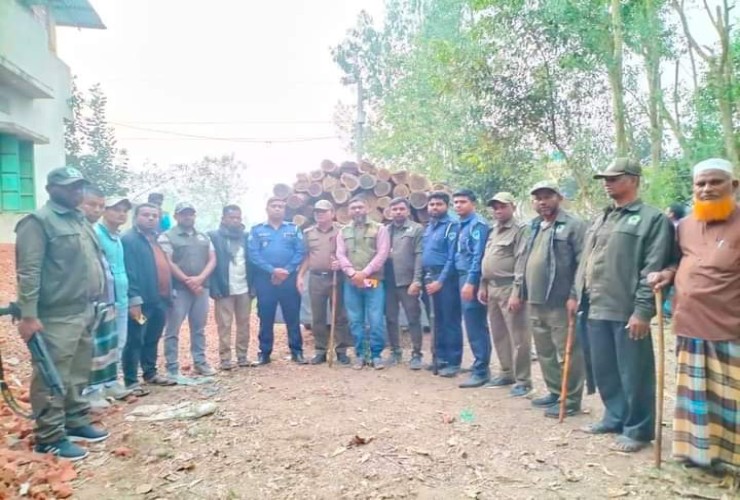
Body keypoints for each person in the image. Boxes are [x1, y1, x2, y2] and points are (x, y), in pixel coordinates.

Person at [576, 158, 673, 453]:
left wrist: (643, 311)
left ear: (633, 179)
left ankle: (639, 429)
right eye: (605, 178)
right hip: (595, 305)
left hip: (626, 308)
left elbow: (653, 267)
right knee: (605, 368)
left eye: (614, 178)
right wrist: (577, 296)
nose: (607, 182)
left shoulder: (652, 219)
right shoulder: (602, 217)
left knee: (635, 371)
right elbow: (586, 261)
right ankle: (615, 416)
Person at [648, 158, 739, 474]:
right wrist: (666, 274)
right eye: (700, 184)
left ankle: (728, 458)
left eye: (715, 182)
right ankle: (697, 453)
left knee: (729, 400)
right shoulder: (684, 227)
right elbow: (677, 262)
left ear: (734, 186)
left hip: (730, 328)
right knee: (694, 395)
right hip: (689, 325)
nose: (706, 188)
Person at [15, 167, 109, 461]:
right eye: (70, 187)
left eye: (79, 187)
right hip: (56, 313)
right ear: (51, 188)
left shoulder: (80, 220)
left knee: (78, 370)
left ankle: (75, 420)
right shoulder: (38, 222)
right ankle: (50, 437)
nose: (76, 192)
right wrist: (28, 315)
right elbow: (28, 271)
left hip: (83, 309)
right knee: (51, 376)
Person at [523, 181, 587, 418]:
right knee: (544, 351)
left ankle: (571, 399)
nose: (542, 202)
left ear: (558, 198)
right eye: (538, 198)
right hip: (536, 300)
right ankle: (554, 391)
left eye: (547, 196)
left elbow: (583, 263)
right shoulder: (535, 226)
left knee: (568, 351)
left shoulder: (574, 225)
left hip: (560, 301)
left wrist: (574, 294)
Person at [79, 187, 131, 409]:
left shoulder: (117, 237)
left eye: (124, 211)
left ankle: (110, 382)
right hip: (100, 298)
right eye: (115, 209)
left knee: (116, 343)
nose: (121, 214)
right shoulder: (95, 233)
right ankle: (91, 390)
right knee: (97, 346)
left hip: (119, 297)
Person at [477, 192, 531, 397]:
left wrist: (517, 292)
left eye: (502, 206)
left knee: (519, 336)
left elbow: (522, 262)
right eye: (495, 207)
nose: (498, 211)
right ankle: (506, 372)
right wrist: (483, 285)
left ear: (513, 207)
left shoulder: (520, 230)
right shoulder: (493, 231)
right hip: (492, 288)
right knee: (499, 333)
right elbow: (487, 258)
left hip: (510, 288)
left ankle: (524, 380)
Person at [122, 203, 175, 392]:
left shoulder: (156, 239)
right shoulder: (129, 240)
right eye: (146, 215)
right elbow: (129, 271)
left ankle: (150, 373)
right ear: (136, 216)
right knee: (135, 338)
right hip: (141, 303)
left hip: (159, 300)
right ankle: (130, 380)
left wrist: (170, 292)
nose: (151, 218)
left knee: (153, 337)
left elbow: (163, 267)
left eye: (154, 215)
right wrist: (133, 299)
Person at [159, 202, 217, 377]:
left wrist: (199, 279)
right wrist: (187, 280)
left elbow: (212, 259)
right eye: (183, 214)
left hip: (201, 289)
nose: (188, 216)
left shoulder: (204, 237)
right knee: (172, 329)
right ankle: (171, 366)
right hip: (179, 290)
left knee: (199, 328)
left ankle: (200, 362)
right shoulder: (167, 236)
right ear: (176, 216)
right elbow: (168, 262)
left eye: (191, 213)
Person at [248, 197, 306, 365]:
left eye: (281, 206)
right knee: (266, 316)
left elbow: (300, 252)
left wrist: (286, 271)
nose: (277, 209)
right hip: (265, 280)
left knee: (292, 316)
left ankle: (297, 351)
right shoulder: (257, 230)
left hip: (289, 279)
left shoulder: (293, 229)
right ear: (267, 208)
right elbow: (253, 254)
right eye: (274, 206)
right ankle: (264, 353)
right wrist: (272, 270)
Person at [336, 195, 390, 370]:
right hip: (351, 282)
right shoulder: (343, 231)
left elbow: (382, 253)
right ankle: (360, 355)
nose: (357, 210)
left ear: (367, 208)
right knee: (355, 320)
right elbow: (340, 254)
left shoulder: (379, 229)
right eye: (353, 208)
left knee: (375, 319)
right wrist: (352, 273)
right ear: (349, 211)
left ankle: (375, 355)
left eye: (360, 207)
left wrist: (365, 273)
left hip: (373, 281)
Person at [297, 200, 352, 365]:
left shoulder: (342, 231)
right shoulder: (308, 233)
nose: (319, 214)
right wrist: (300, 275)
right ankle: (320, 350)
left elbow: (349, 253)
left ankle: (341, 350)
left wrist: (341, 264)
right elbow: (307, 256)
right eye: (316, 212)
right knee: (317, 316)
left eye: (323, 211)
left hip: (336, 277)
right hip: (316, 278)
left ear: (332, 213)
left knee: (340, 315)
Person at [452, 189, 491, 388]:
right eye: (456, 202)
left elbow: (478, 256)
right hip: (460, 276)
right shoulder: (460, 225)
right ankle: (478, 363)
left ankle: (482, 370)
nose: (458, 205)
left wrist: (471, 282)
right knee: (469, 323)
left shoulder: (478, 225)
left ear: (473, 203)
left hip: (471, 277)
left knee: (476, 324)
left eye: (463, 202)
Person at [421, 191, 462, 377]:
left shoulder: (452, 225)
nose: (434, 207)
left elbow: (452, 257)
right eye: (431, 204)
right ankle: (440, 357)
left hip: (446, 280)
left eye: (438, 204)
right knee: (435, 320)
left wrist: (440, 281)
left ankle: (453, 361)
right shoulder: (430, 227)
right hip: (430, 278)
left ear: (447, 206)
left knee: (450, 321)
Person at [208, 205, 254, 370]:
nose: (235, 220)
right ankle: (225, 359)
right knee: (224, 325)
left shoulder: (247, 237)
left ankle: (242, 356)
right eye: (231, 217)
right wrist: (214, 288)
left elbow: (252, 263)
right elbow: (211, 264)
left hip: (244, 287)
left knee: (244, 323)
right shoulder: (214, 237)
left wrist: (252, 287)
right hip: (224, 288)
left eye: (238, 218)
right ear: (223, 219)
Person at [384, 197, 425, 369]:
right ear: (390, 212)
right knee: (391, 318)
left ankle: (416, 353)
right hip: (388, 281)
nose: (398, 212)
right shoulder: (385, 230)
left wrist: (417, 280)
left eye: (401, 209)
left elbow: (419, 256)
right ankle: (395, 351)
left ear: (408, 211)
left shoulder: (416, 229)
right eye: (395, 209)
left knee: (413, 318)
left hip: (407, 281)